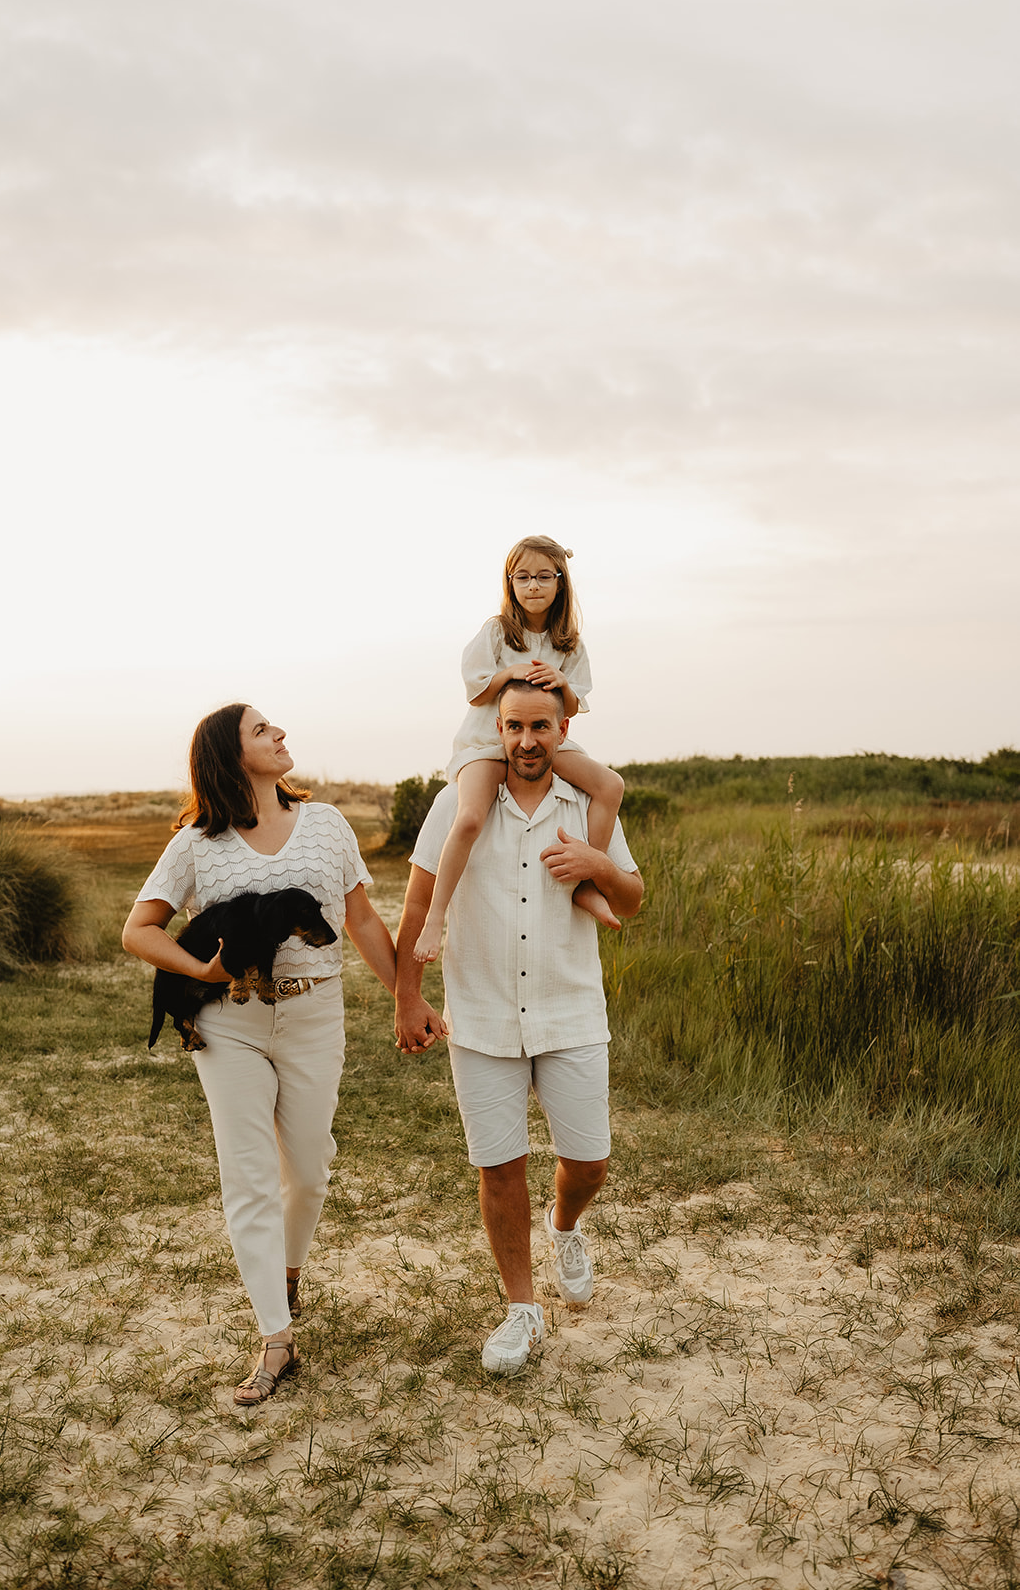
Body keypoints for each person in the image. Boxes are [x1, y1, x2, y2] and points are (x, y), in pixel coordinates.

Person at [122, 703, 395, 1406]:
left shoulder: (327, 824)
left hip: (314, 1013)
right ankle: (276, 1338)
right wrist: (203, 972)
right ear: (229, 754)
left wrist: (408, 997)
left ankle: (289, 1269)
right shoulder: (194, 843)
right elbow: (138, 930)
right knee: (247, 1177)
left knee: (307, 1171)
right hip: (230, 1022)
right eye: (261, 730)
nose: (279, 734)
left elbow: (360, 918)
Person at [395, 679, 643, 1375]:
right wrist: (405, 997)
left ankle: (563, 1225)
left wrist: (598, 866)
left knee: (588, 1162)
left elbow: (632, 895)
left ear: (562, 728)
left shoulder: (586, 803)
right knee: (498, 1167)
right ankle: (522, 1312)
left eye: (540, 726)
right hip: (480, 1017)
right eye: (513, 727)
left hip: (571, 1012)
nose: (526, 741)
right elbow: (417, 903)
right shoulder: (456, 802)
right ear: (495, 730)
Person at [413, 535, 624, 964]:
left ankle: (586, 882)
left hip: (541, 739)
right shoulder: (497, 631)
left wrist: (561, 682)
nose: (533, 586)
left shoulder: (569, 643)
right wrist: (509, 673)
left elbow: (571, 708)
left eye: (544, 577)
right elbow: (475, 693)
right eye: (523, 577)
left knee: (610, 785)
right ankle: (437, 916)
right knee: (469, 815)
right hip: (489, 740)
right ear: (510, 582)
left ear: (560, 582)